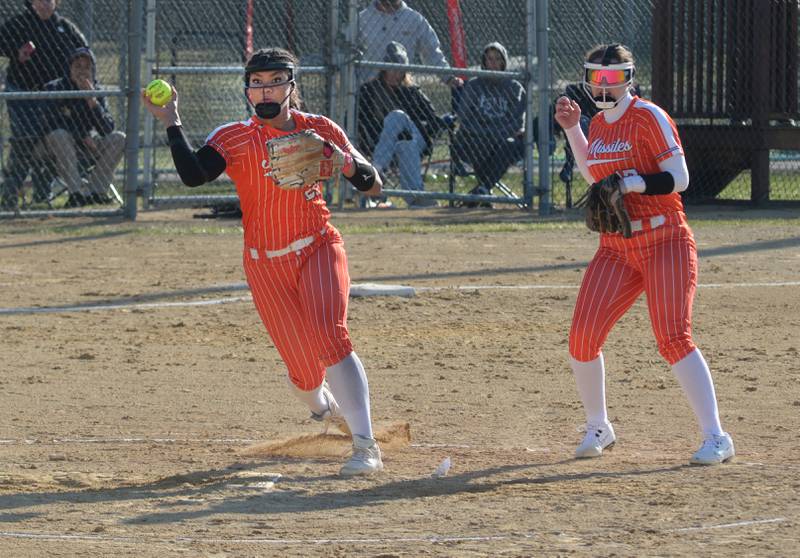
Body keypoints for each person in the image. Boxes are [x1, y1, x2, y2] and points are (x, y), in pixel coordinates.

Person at [142, 47, 385, 477]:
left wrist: (342, 161)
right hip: (264, 264)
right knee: (304, 375)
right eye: (257, 82)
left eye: (275, 80)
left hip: (317, 246)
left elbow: (373, 185)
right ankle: (324, 407)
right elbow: (194, 174)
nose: (265, 89)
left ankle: (366, 447)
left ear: (292, 86)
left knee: (331, 336)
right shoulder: (234, 137)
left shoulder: (319, 129)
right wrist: (171, 121)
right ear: (247, 91)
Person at [554, 43, 735, 465]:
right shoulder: (597, 124)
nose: (602, 85)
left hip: (665, 237)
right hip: (617, 246)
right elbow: (593, 172)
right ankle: (599, 425)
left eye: (612, 77)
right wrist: (572, 129)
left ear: (629, 78)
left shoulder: (649, 116)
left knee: (673, 337)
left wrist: (633, 183)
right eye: (596, 77)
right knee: (582, 338)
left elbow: (680, 178)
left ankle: (717, 436)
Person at [0, 0, 88, 210]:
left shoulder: (65, 27)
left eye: (48, 0)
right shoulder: (20, 24)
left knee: (50, 139)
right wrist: (15, 51)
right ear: (31, 3)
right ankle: (10, 192)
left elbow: (84, 51)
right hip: (23, 92)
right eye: (39, 1)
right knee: (25, 140)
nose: (44, 4)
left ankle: (42, 192)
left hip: (55, 96)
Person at [34, 47, 124, 207]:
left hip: (86, 145)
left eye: (86, 67)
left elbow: (107, 129)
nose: (82, 71)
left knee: (119, 139)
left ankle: (95, 192)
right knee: (60, 135)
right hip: (53, 147)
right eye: (77, 66)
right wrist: (82, 135)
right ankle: (76, 194)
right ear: (69, 69)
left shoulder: (96, 91)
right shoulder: (55, 88)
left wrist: (91, 100)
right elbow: (50, 123)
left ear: (93, 71)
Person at [357, 41, 444, 207]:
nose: (397, 73)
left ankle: (374, 173)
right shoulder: (369, 90)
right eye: (393, 68)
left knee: (397, 117)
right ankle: (415, 198)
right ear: (383, 68)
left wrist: (428, 124)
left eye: (401, 69)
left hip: (417, 140)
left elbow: (433, 121)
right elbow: (361, 123)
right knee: (405, 145)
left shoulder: (412, 91)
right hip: (381, 144)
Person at [452, 42, 525, 206]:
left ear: (503, 63)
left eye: (497, 59)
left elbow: (518, 121)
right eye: (489, 59)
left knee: (513, 144)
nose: (493, 63)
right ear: (484, 62)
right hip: (477, 138)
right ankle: (484, 190)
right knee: (477, 143)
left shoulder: (514, 87)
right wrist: (486, 132)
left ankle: (482, 190)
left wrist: (497, 133)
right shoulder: (474, 85)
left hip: (503, 141)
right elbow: (464, 117)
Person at [357, 0, 463, 89]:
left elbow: (432, 52)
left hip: (403, 87)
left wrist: (448, 78)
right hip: (369, 89)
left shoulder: (414, 19)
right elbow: (347, 50)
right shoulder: (362, 19)